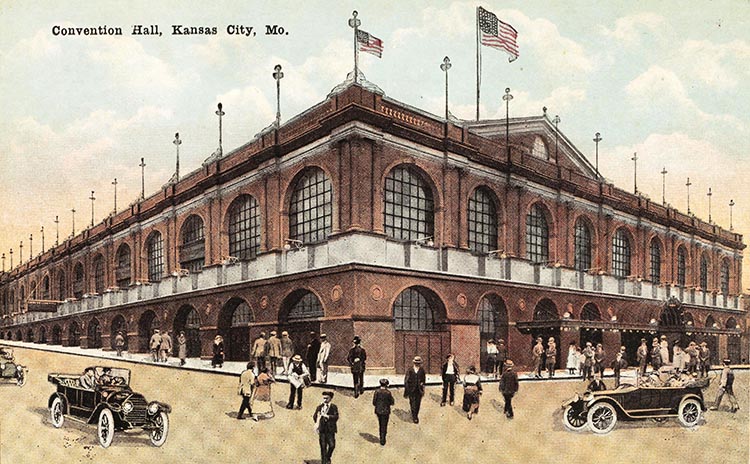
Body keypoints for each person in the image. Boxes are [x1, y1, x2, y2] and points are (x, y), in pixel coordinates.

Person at [313, 391, 339, 464]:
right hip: (322, 430)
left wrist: (328, 416)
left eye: (326, 398)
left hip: (330, 430)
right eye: (324, 398)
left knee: (332, 445)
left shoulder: (333, 407)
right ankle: (324, 462)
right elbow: (314, 416)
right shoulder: (319, 407)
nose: (325, 400)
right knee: (323, 447)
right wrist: (318, 420)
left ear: (330, 398)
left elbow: (336, 417)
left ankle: (328, 457)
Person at [403, 356, 426, 423]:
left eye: (419, 363)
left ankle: (416, 415)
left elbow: (423, 379)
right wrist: (406, 390)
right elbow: (406, 380)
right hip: (411, 389)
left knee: (418, 403)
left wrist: (422, 384)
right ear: (414, 363)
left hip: (419, 389)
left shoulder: (422, 370)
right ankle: (414, 416)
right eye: (416, 363)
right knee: (412, 403)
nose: (417, 364)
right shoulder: (410, 370)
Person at [372, 378, 394, 446]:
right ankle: (383, 439)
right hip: (386, 411)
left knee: (380, 423)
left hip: (378, 411)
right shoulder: (388, 393)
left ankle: (381, 437)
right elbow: (392, 402)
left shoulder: (377, 392)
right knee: (384, 425)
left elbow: (374, 402)